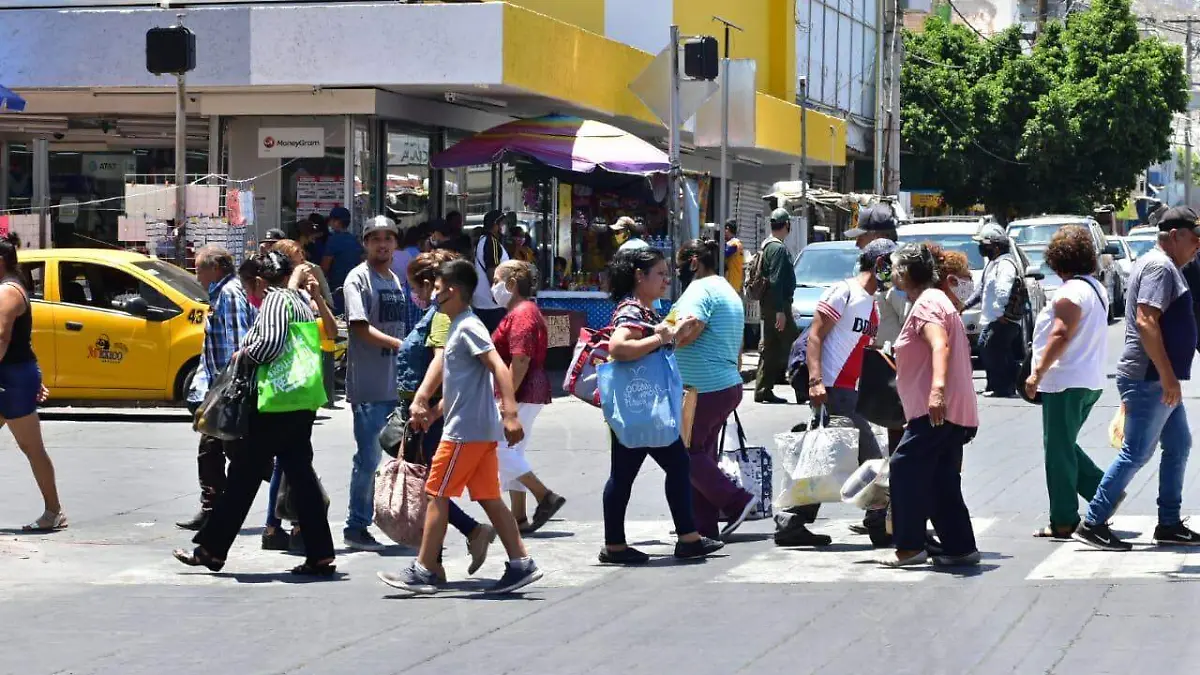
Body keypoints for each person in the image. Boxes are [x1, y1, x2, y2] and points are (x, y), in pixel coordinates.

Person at [378, 259, 543, 595]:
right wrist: (433, 411)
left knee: (435, 493)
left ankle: (424, 570)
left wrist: (511, 413)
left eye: (436, 288)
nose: (430, 294)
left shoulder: (468, 326)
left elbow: (498, 365)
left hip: (465, 433)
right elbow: (462, 385)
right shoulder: (457, 325)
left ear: (450, 291)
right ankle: (521, 563)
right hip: (474, 429)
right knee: (488, 498)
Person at [173, 251, 337, 577]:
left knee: (242, 478)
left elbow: (270, 345)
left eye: (251, 287)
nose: (251, 295)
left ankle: (211, 550)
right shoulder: (300, 300)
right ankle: (320, 553)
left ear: (260, 281)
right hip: (300, 401)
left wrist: (245, 352)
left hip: (275, 404)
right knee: (300, 477)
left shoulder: (275, 301)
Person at [1074, 207, 1200, 551]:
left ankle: (1170, 523)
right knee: (1135, 453)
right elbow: (1146, 321)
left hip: (1157, 378)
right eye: (1194, 238)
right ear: (1174, 236)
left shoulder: (1163, 265)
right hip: (1149, 378)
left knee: (1179, 445)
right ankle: (1094, 521)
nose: (1198, 246)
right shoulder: (1160, 266)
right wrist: (1166, 374)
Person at [600, 247, 724, 565]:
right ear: (639, 276)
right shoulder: (631, 310)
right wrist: (661, 338)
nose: (666, 281)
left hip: (638, 406)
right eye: (660, 274)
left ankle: (617, 544)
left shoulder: (646, 309)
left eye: (668, 274)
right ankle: (687, 538)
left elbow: (661, 343)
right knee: (676, 465)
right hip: (641, 406)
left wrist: (678, 331)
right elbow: (619, 347)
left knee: (627, 474)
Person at [777, 239, 895, 548]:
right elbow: (815, 335)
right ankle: (878, 523)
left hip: (849, 391)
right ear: (880, 264)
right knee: (871, 458)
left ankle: (791, 522)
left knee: (825, 458)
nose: (897, 272)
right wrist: (816, 381)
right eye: (893, 265)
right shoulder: (844, 291)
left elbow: (863, 349)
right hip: (831, 388)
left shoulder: (872, 303)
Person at [395, 249, 496, 581]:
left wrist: (425, 401)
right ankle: (512, 556)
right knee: (441, 489)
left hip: (448, 415)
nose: (421, 294)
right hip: (445, 412)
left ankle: (429, 565)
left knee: (434, 490)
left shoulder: (444, 315)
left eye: (420, 287)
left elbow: (443, 362)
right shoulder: (446, 314)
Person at [882, 243, 980, 567]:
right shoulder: (937, 300)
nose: (892, 276)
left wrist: (936, 390)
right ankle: (959, 547)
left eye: (895, 270)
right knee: (940, 477)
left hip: (937, 410)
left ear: (906, 273)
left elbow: (940, 344)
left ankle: (909, 547)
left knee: (904, 466)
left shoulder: (927, 304)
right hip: (951, 410)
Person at [1024, 226, 1110, 539]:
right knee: (1063, 446)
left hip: (1065, 382)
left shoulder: (1070, 291)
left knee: (1057, 452)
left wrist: (1037, 373)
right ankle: (1105, 492)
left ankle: (1063, 519)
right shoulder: (1094, 288)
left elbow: (1061, 334)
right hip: (1087, 379)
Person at [672, 239, 756, 541]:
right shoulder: (724, 288)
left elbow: (689, 325)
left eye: (680, 264)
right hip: (722, 384)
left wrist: (662, 339)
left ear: (694, 262)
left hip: (704, 387)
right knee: (701, 454)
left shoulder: (699, 290)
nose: (677, 271)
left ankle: (737, 501)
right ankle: (703, 528)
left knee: (684, 456)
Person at [178, 245, 256, 532]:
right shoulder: (221, 293)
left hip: (228, 390)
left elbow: (238, 343)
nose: (197, 275)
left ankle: (295, 500)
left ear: (215, 269)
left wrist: (229, 389)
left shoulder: (230, 294)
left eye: (199, 269)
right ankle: (212, 508)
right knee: (210, 449)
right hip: (217, 389)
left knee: (242, 456)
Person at [342, 215, 407, 552]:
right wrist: (402, 346)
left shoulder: (394, 279)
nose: (382, 243)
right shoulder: (358, 279)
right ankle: (356, 526)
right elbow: (359, 327)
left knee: (394, 461)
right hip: (368, 385)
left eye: (388, 237)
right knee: (367, 459)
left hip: (394, 385)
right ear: (365, 243)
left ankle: (386, 520)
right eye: (375, 238)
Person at [489, 260, 566, 532]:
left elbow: (520, 360)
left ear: (511, 284)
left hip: (522, 391)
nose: (492, 287)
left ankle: (544, 495)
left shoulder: (522, 312)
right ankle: (519, 518)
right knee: (513, 452)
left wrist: (505, 401)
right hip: (526, 390)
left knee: (498, 450)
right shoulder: (522, 310)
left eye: (496, 281)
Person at [0, 235, 63, 532]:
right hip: (14, 374)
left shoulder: (8, 292)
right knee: (32, 447)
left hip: (10, 378)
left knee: (31, 447)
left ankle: (53, 511)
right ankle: (54, 511)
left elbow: (2, 338)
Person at [272, 238, 339, 407]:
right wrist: (295, 280)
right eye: (297, 265)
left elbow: (332, 332)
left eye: (303, 262)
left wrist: (317, 297)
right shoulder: (272, 294)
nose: (303, 269)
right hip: (280, 382)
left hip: (304, 382)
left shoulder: (305, 295)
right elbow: (284, 306)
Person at [964, 223, 1023, 398]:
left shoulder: (1005, 265)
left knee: (992, 349)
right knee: (991, 350)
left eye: (984, 244)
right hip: (994, 319)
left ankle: (1005, 387)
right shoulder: (993, 264)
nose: (981, 248)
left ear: (995, 247)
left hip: (1002, 320)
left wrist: (1000, 314)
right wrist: (964, 306)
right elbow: (981, 290)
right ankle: (998, 385)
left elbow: (1002, 290)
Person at [755, 208, 798, 404]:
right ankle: (803, 388)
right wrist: (781, 311)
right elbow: (776, 280)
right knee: (796, 346)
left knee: (771, 347)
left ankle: (763, 389)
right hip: (777, 306)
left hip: (769, 305)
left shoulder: (767, 245)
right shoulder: (778, 249)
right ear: (787, 225)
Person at [320, 206, 365, 313]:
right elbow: (362, 260)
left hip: (337, 290)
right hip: (354, 287)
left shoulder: (333, 240)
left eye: (331, 221)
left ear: (337, 222)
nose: (330, 224)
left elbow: (324, 267)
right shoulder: (354, 240)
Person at [473, 210, 510, 333]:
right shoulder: (491, 242)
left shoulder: (483, 240)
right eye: (502, 223)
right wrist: (497, 294)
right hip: (492, 305)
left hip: (484, 302)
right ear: (495, 225)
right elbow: (492, 270)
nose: (504, 226)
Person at [723, 219, 744, 293]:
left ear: (727, 229)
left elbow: (723, 254)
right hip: (736, 283)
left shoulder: (733, 243)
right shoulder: (738, 243)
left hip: (731, 284)